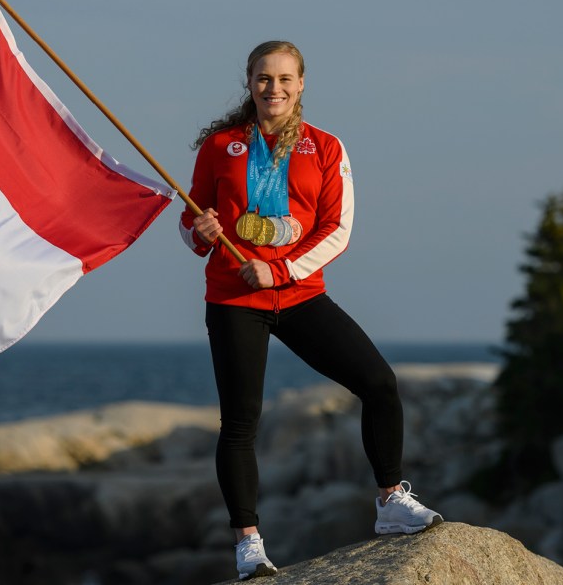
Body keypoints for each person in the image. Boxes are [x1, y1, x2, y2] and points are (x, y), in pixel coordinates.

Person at [179, 40, 442, 581]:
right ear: (248, 83)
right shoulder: (220, 145)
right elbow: (192, 221)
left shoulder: (325, 147)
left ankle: (391, 501)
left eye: (284, 79)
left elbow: (336, 229)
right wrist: (198, 231)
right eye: (262, 78)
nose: (273, 88)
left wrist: (280, 270)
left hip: (300, 295)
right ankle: (248, 543)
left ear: (301, 85)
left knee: (379, 383)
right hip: (233, 300)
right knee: (240, 424)